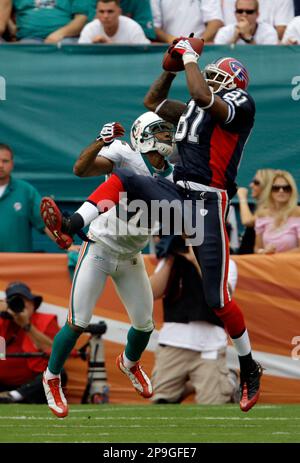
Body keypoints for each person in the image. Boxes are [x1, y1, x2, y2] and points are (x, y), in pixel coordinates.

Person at [41, 40, 263, 413]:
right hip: (172, 196)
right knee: (127, 180)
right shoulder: (189, 111)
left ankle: (248, 365)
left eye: (216, 76)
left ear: (233, 84)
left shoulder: (240, 106)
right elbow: (153, 100)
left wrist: (189, 57)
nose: (208, 78)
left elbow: (199, 93)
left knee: (217, 298)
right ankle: (72, 223)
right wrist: (172, 65)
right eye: (206, 73)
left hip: (206, 204)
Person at [41, 112, 175, 417]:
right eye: (161, 131)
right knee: (78, 321)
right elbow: (81, 169)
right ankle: (51, 377)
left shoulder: (174, 169)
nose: (168, 137)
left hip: (131, 255)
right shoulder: (125, 155)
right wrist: (101, 142)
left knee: (145, 325)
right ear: (143, 135)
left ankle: (129, 362)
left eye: (168, 131)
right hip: (100, 247)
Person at [150, 236, 239, 405]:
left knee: (213, 406)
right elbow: (152, 293)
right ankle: (200, 383)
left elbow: (223, 295)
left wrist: (198, 260)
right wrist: (169, 257)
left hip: (210, 345)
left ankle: (228, 381)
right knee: (162, 401)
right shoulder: (173, 260)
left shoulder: (226, 263)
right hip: (172, 342)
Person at [0, 282, 66, 404]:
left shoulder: (46, 321)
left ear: (33, 303)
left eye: (24, 300)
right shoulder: (2, 321)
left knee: (59, 372)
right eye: (14, 301)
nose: (21, 305)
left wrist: (26, 325)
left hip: (31, 387)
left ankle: (14, 396)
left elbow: (56, 353)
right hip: (2, 385)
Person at [0, 143, 53, 252]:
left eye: (5, 161)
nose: (0, 165)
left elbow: (47, 224)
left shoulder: (25, 191)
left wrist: (68, 246)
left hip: (17, 266)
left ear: (12, 164)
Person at [254, 170, 300, 254]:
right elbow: (257, 248)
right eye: (276, 188)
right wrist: (264, 252)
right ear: (270, 191)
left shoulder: (298, 212)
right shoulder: (262, 214)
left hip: (293, 265)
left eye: (286, 188)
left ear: (292, 190)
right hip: (268, 265)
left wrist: (276, 256)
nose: (281, 191)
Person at [0, 0, 88, 43]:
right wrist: (10, 26)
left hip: (65, 39)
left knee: (66, 46)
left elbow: (82, 18)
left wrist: (60, 33)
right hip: (29, 39)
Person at [150, 0, 223, 43]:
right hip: (169, 50)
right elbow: (152, 27)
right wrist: (177, 43)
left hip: (201, 50)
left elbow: (215, 21)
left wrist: (199, 44)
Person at [237, 168, 274, 254]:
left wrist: (242, 197)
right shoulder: (261, 207)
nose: (251, 185)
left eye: (256, 183)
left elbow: (247, 221)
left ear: (267, 186)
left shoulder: (272, 208)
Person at [78, 0, 150, 44]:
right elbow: (80, 56)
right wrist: (91, 47)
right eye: (101, 12)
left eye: (110, 11)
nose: (105, 16)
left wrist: (110, 45)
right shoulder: (89, 29)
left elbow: (145, 52)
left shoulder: (133, 27)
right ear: (96, 13)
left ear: (119, 12)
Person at [221, 0, 294, 40]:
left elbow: (281, 29)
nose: (244, 15)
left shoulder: (270, 32)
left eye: (249, 12)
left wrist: (248, 37)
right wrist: (235, 38)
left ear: (257, 14)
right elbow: (220, 55)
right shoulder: (225, 32)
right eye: (240, 11)